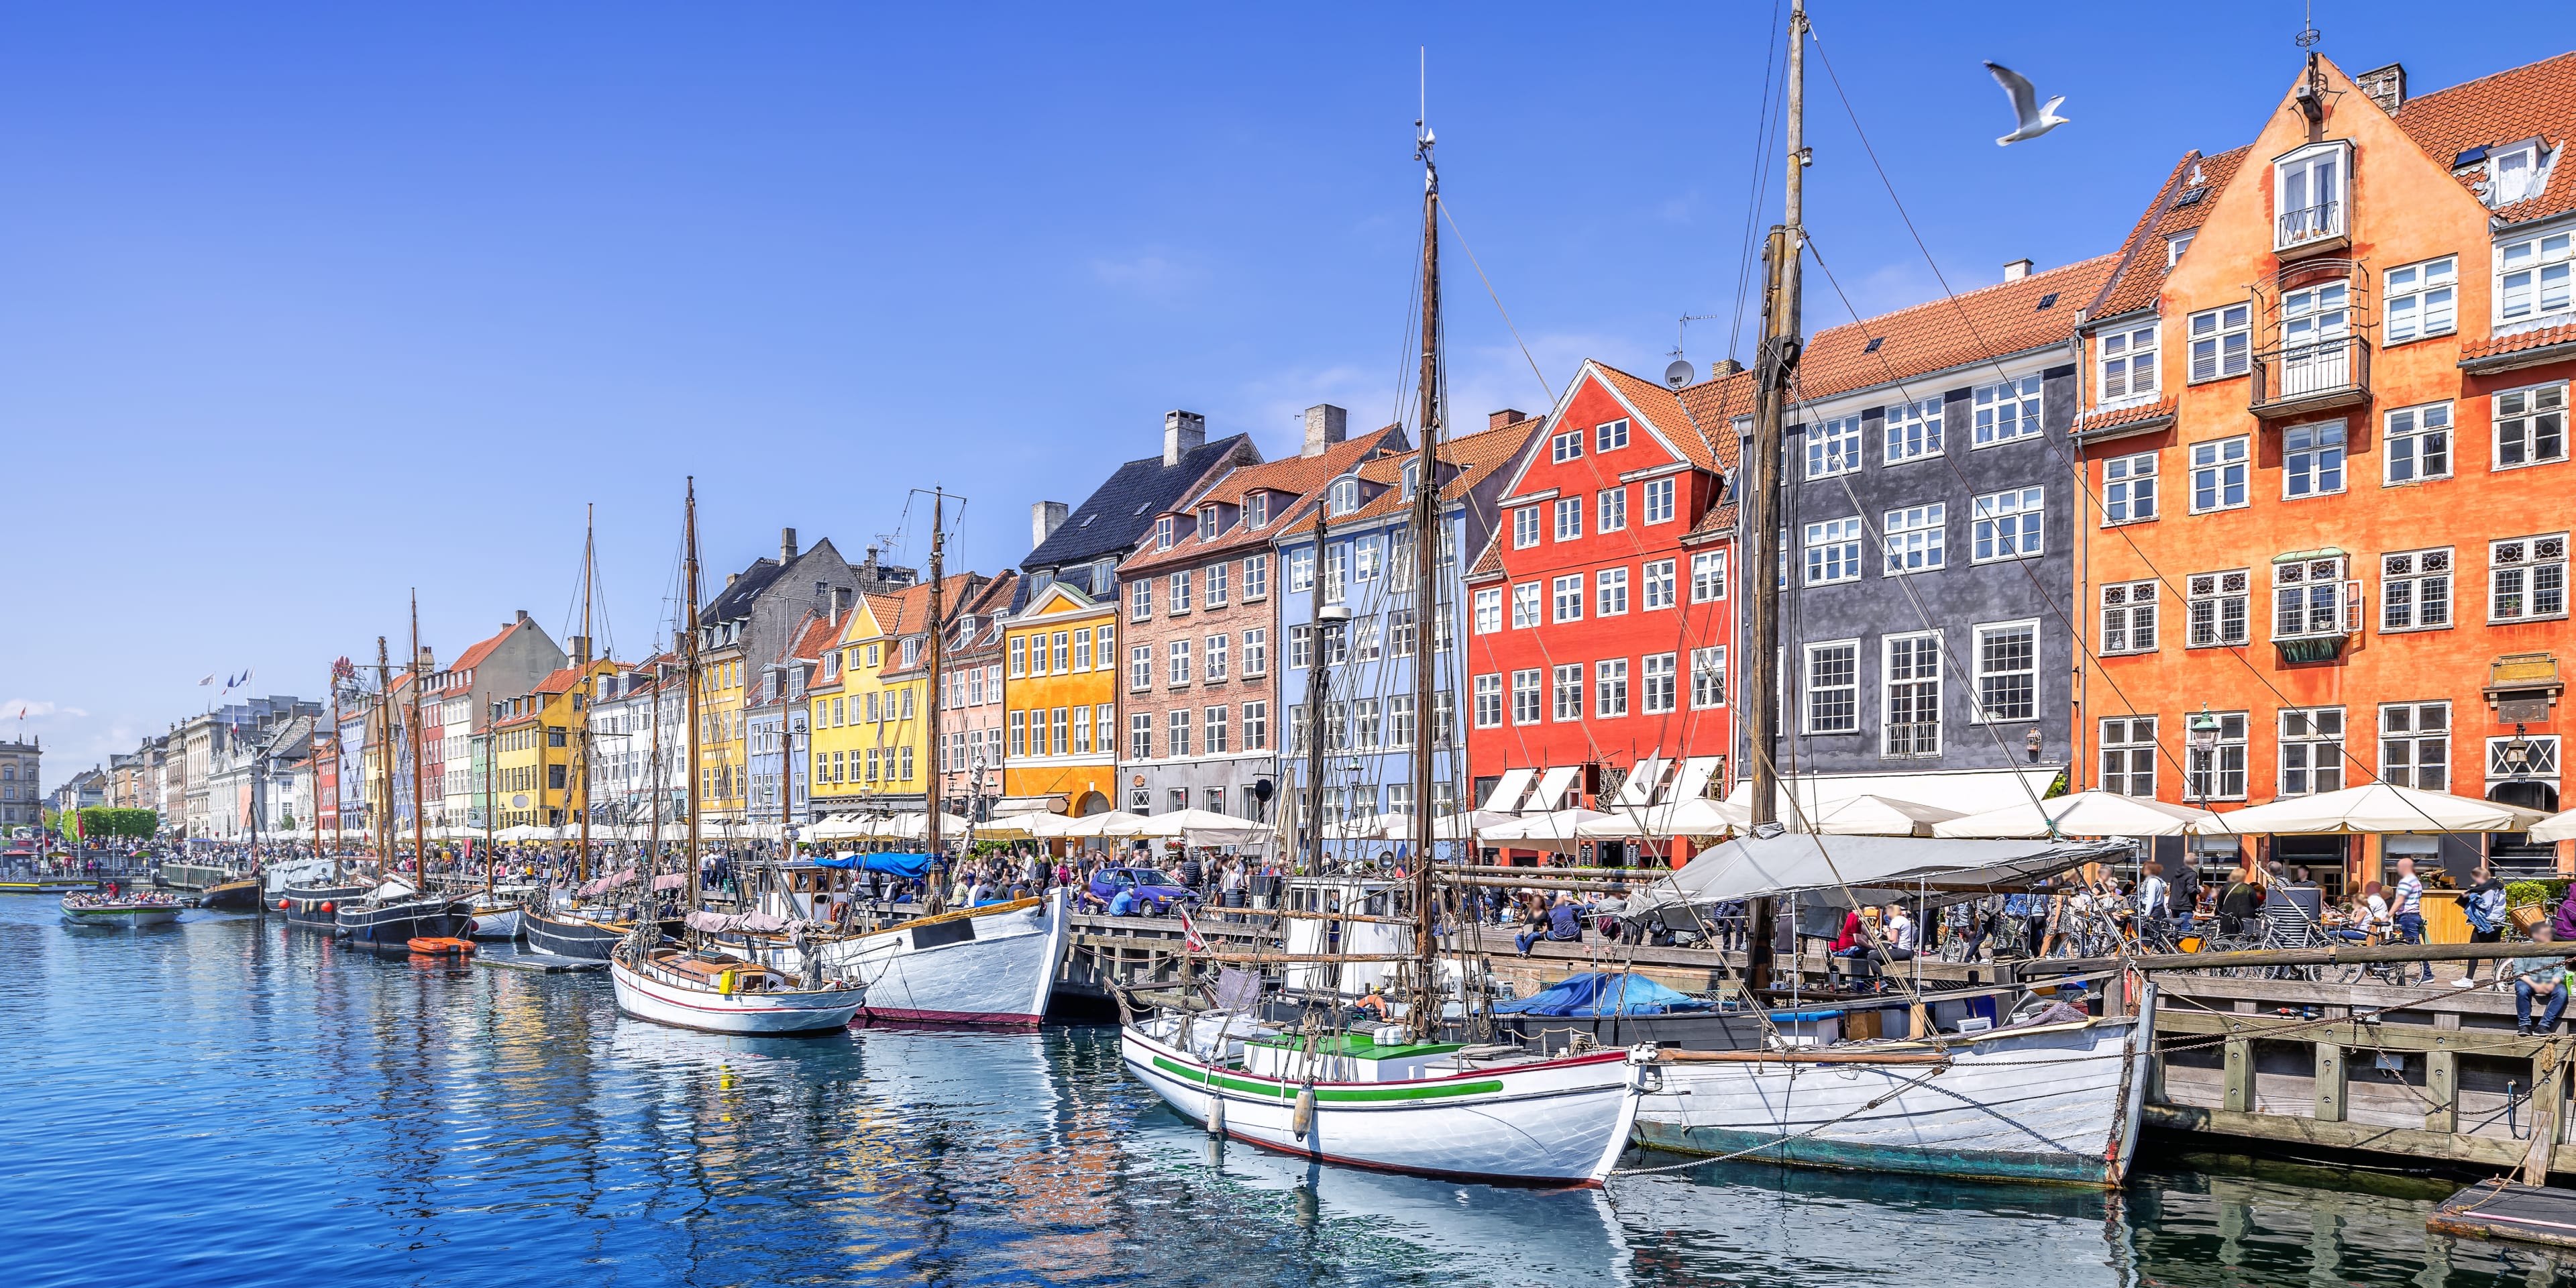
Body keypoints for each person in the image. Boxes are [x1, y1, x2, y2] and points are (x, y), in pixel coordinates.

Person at [2508, 926, 2569, 1036]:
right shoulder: (2524, 948)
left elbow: (2560, 972)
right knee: (2522, 989)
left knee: (2562, 992)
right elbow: (2519, 971)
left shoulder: (2556, 949)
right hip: (2527, 980)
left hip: (2549, 980)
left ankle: (2544, 1026)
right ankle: (2524, 1025)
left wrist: (2552, 984)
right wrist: (2535, 985)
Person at [2460, 865, 2509, 986]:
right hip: (2498, 922)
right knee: (2494, 951)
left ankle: (2468, 979)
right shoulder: (2498, 885)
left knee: (2473, 950)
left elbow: (2486, 905)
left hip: (2487, 922)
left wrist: (2472, 897)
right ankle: (2499, 980)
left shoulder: (2490, 889)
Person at [2391, 857, 2431, 983]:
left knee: (2415, 947)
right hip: (2412, 916)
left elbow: (2400, 900)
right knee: (2394, 942)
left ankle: (2427, 974)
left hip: (2407, 917)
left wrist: (2388, 915)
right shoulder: (2416, 882)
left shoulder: (2406, 882)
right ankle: (2385, 967)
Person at [1516, 892, 1589, 955]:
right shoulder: (1570, 910)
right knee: (1578, 924)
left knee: (1541, 934)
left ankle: (1523, 951)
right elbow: (1577, 921)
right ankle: (1579, 942)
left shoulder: (1550, 912)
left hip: (1558, 936)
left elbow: (1549, 926)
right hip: (1573, 936)